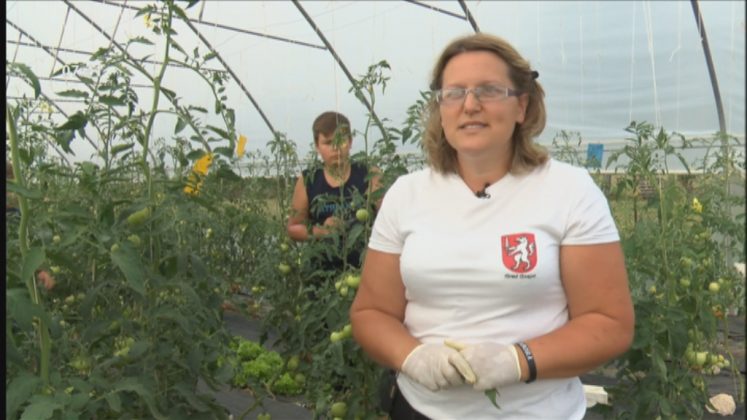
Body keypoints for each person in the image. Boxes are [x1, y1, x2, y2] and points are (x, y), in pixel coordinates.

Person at [350, 33, 634, 419]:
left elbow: (609, 323)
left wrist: (519, 360)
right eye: (454, 93)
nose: (470, 105)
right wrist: (413, 357)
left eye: (489, 90)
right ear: (440, 109)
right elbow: (372, 312)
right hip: (421, 410)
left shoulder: (569, 191)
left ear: (522, 106)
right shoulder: (406, 194)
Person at [286, 111, 382, 281]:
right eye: (328, 142)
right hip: (321, 275)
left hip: (365, 271)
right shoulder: (309, 179)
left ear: (350, 142)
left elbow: (389, 222)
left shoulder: (369, 174)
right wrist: (321, 231)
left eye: (341, 140)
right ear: (317, 146)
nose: (335, 148)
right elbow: (293, 228)